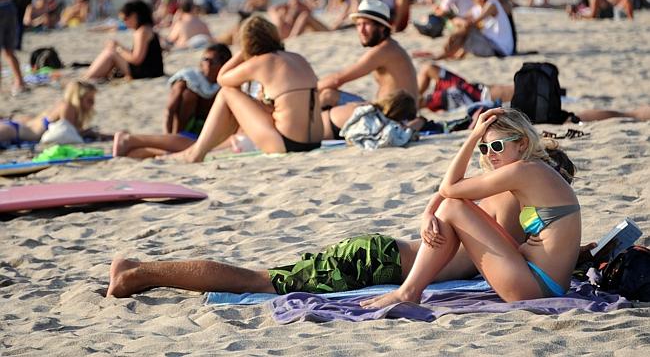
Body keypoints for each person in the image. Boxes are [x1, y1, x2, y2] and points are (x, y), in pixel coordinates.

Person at [106, 140, 581, 298]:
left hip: (382, 254)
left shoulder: (510, 210)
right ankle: (138, 275)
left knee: (264, 277)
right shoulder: (513, 206)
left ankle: (134, 267)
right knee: (259, 281)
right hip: (377, 264)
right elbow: (466, 214)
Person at [360, 107, 581, 308]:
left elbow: (449, 188)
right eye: (483, 148)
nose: (489, 154)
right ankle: (409, 290)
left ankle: (409, 291)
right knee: (452, 205)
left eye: (497, 146)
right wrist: (428, 213)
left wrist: (473, 136)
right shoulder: (530, 170)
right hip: (539, 280)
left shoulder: (524, 171)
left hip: (535, 287)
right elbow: (452, 189)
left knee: (452, 207)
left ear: (522, 143)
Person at [170, 15, 324, 162]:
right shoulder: (298, 58)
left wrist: (243, 52)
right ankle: (198, 149)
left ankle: (197, 153)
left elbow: (222, 79)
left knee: (226, 93)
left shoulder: (261, 62)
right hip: (316, 140)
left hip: (286, 143)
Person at [317, 0, 418, 108]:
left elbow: (337, 79)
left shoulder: (384, 50)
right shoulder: (391, 47)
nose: (361, 30)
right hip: (391, 112)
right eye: (359, 24)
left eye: (366, 24)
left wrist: (308, 90)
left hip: (393, 119)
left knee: (328, 95)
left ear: (382, 27)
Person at [416, 0, 514, 60]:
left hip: (500, 50)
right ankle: (450, 53)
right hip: (491, 46)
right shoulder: (477, 8)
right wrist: (458, 23)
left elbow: (472, 22)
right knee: (463, 27)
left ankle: (446, 53)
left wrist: (453, 35)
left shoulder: (492, 3)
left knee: (468, 28)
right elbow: (459, 19)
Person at [84, 0, 164, 81]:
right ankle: (92, 75)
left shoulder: (142, 32)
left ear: (134, 16)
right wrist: (118, 47)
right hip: (152, 71)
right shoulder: (147, 29)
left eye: (125, 19)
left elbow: (137, 59)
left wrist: (118, 48)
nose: (125, 23)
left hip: (147, 72)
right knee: (112, 50)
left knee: (110, 53)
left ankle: (89, 77)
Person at [1, 80, 100, 144]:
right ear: (78, 98)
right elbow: (68, 132)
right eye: (90, 100)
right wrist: (92, 133)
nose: (93, 104)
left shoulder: (64, 105)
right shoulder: (67, 107)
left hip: (16, 128)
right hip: (15, 131)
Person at [164, 44, 232, 135]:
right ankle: (179, 135)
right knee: (188, 95)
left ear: (223, 65)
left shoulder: (226, 83)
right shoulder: (189, 78)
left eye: (213, 62)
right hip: (184, 127)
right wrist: (169, 136)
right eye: (205, 60)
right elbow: (170, 109)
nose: (208, 64)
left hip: (212, 129)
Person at [323, 89, 417, 141]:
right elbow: (402, 132)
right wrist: (421, 121)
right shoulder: (375, 120)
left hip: (321, 119)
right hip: (320, 133)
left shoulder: (363, 106)